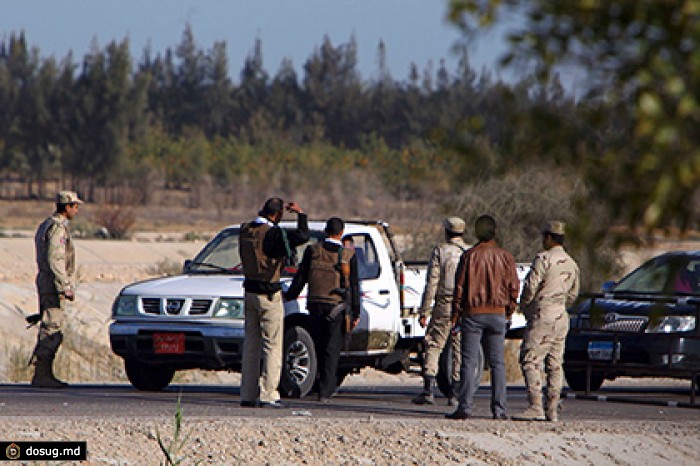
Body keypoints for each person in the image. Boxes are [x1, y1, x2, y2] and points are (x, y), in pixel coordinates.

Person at [447, 215, 519, 420]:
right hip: (497, 314)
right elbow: (514, 287)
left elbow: (459, 289)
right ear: (495, 232)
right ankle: (499, 410)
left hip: (473, 314)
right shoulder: (506, 257)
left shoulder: (469, 256)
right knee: (498, 363)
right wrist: (509, 310)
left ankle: (465, 407)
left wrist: (455, 315)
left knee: (468, 362)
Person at [239, 197, 309, 408]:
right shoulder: (273, 234)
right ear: (277, 215)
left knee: (251, 345)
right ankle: (268, 393)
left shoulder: (245, 230)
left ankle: (248, 394)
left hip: (249, 292)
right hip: (268, 294)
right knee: (272, 345)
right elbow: (302, 236)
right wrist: (301, 214)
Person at [285, 217, 360, 402]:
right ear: (341, 233)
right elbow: (354, 286)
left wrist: (291, 294)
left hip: (314, 305)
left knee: (317, 345)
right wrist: (355, 312)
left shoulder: (313, 250)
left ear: (326, 231)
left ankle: (315, 385)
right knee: (331, 349)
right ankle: (325, 391)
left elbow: (301, 277)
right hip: (336, 308)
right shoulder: (347, 255)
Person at [513, 221, 580, 422]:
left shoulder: (543, 259)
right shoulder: (571, 263)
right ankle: (552, 408)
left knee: (530, 359)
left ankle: (535, 405)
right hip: (561, 315)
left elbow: (531, 287)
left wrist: (524, 305)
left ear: (549, 238)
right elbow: (574, 293)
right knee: (555, 363)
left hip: (543, 314)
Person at [412, 217, 469, 406]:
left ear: (447, 232)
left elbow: (432, 282)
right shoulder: (469, 252)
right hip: (463, 306)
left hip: (444, 304)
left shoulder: (441, 251)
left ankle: (428, 389)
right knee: (458, 348)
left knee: (434, 344)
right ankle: (455, 392)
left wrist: (424, 310)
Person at [29, 191, 83, 388]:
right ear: (66, 207)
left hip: (46, 280)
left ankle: (44, 373)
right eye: (75, 206)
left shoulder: (46, 224)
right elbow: (56, 259)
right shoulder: (58, 228)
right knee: (52, 328)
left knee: (49, 324)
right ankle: (42, 374)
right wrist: (65, 286)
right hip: (52, 283)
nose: (77, 210)